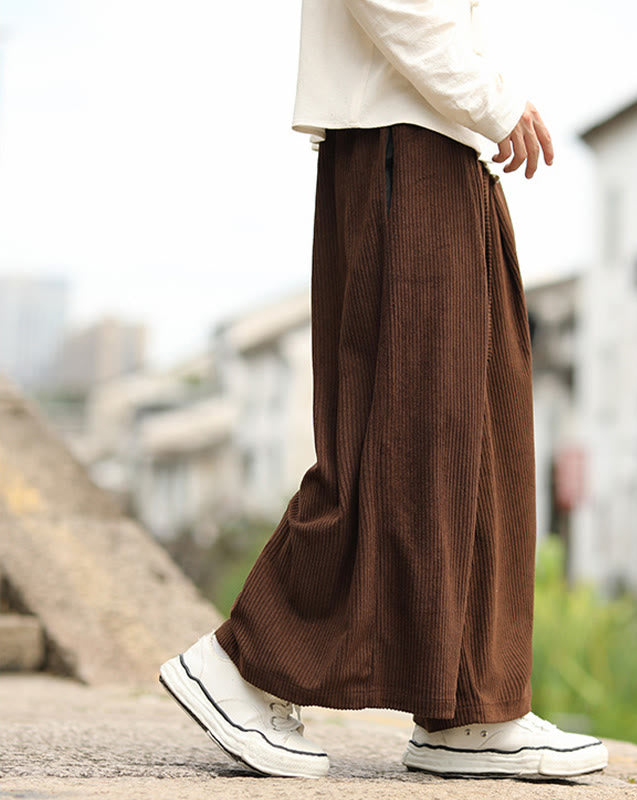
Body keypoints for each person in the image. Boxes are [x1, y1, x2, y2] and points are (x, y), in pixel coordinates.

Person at [159, 0, 608, 780]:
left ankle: (470, 710)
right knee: (401, 440)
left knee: (479, 435)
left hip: (439, 140)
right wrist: (492, 99)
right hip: (405, 139)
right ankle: (241, 666)